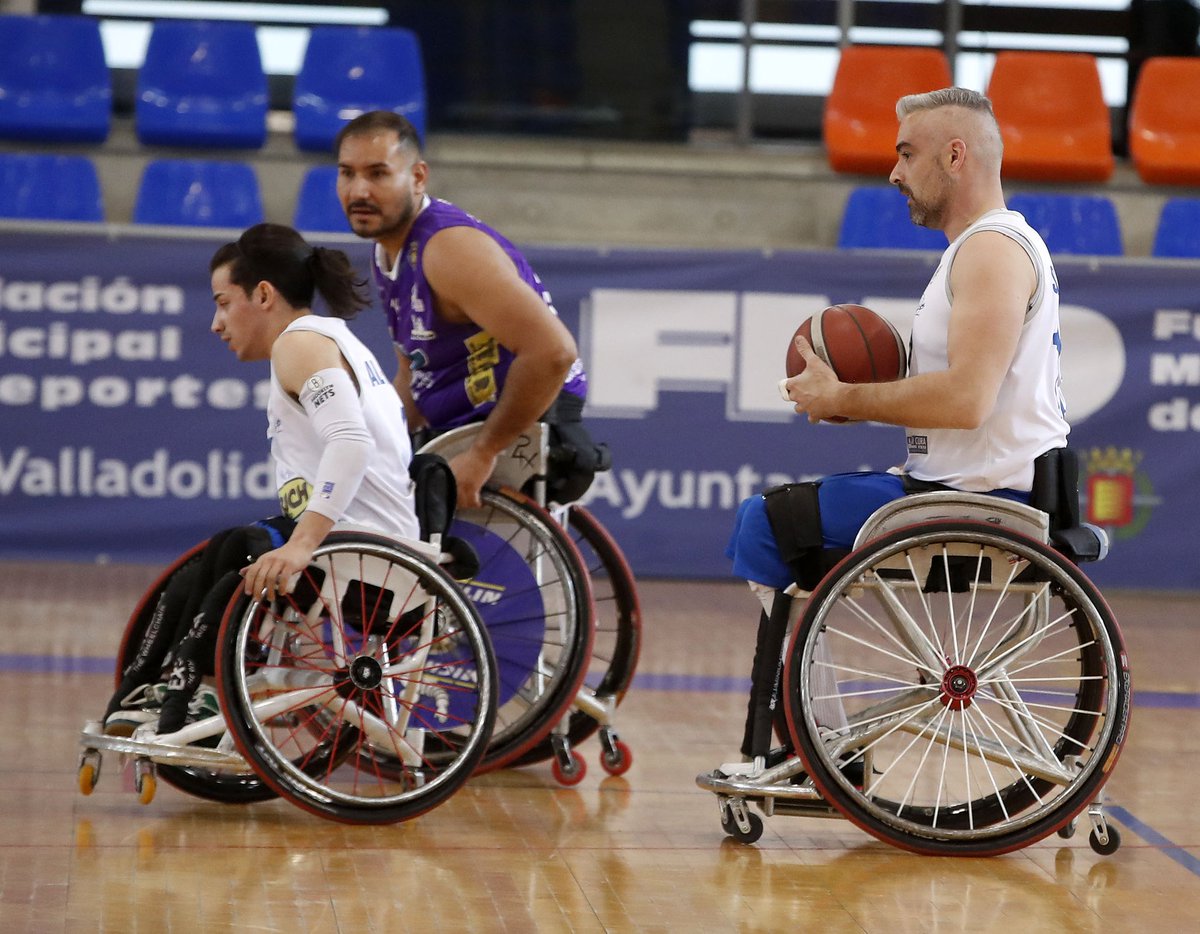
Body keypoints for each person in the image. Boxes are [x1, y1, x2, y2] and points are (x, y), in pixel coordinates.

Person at [722, 87, 1069, 770]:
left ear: (956, 155)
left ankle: (807, 748)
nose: (894, 171)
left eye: (907, 154)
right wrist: (857, 400)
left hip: (984, 503)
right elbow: (966, 396)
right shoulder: (980, 248)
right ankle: (817, 741)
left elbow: (968, 401)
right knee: (782, 519)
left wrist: (850, 391)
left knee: (765, 524)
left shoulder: (991, 252)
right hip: (965, 487)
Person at [103, 223, 420, 738]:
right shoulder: (332, 340)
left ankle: (198, 692)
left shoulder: (300, 344)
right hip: (372, 557)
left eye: (224, 303)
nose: (216, 323)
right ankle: (159, 689)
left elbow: (351, 443)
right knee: (214, 561)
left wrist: (302, 543)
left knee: (240, 551)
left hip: (368, 566)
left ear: (264, 295)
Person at [333, 110, 605, 508]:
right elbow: (412, 374)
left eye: (377, 174)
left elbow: (554, 352)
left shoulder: (448, 249)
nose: (359, 191)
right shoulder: (387, 251)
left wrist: (483, 452)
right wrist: (364, 448)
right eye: (347, 173)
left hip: (519, 428)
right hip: (459, 428)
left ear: (418, 177)